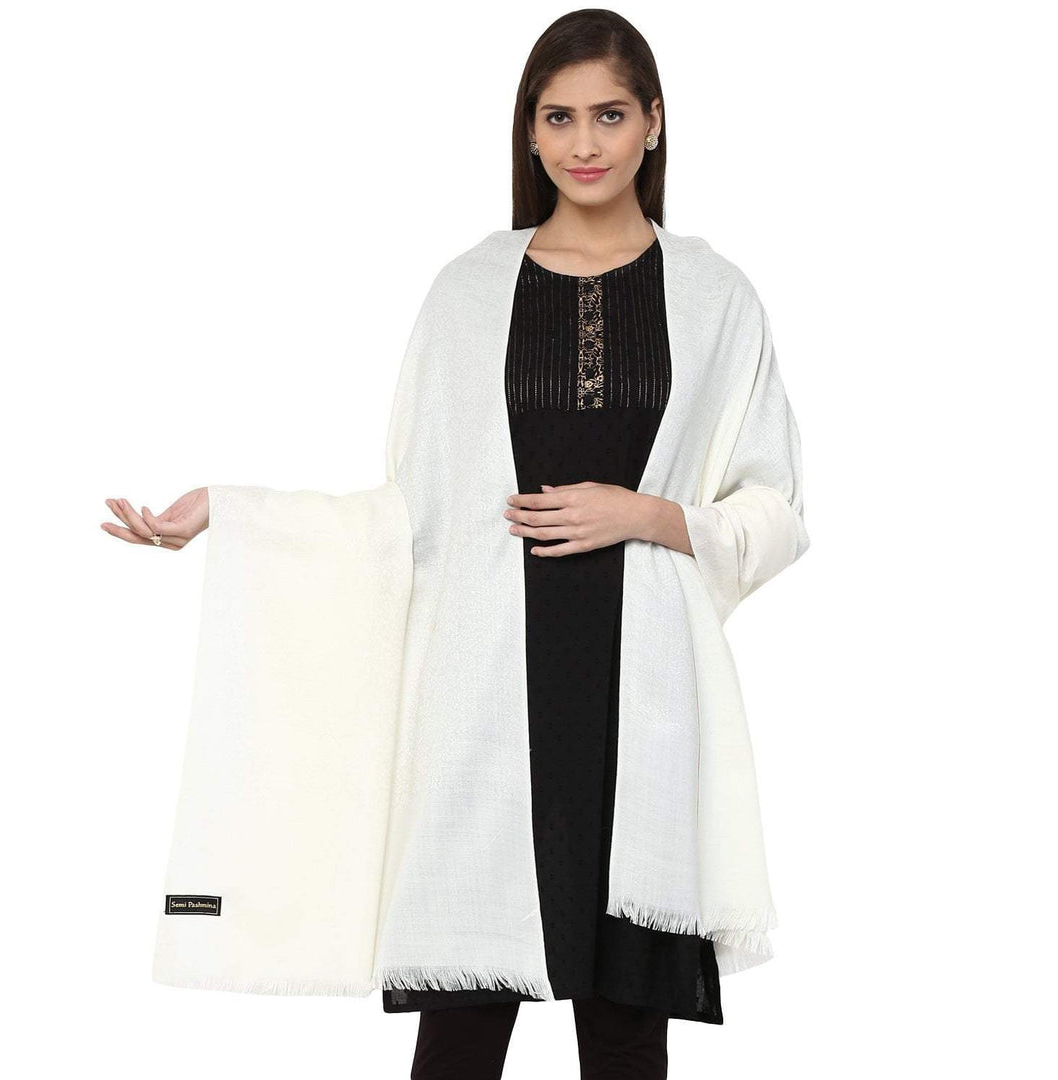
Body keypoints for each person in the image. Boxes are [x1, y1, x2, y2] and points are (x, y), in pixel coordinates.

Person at [105, 11, 808, 1080]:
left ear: (655, 123)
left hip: (640, 705)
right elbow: (407, 520)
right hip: (487, 705)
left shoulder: (716, 297)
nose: (585, 144)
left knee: (627, 1035)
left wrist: (648, 515)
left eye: (610, 115)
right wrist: (234, 511)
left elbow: (774, 503)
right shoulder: (469, 293)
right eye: (558, 117)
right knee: (461, 1036)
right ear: (528, 130)